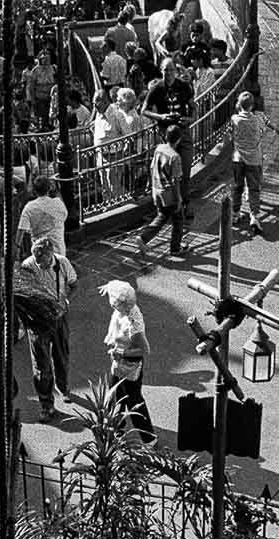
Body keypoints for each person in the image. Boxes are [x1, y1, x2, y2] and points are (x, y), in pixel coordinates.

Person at [15, 234, 77, 421]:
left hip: (58, 317)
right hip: (37, 321)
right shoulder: (28, 266)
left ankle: (63, 387)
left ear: (51, 255)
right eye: (37, 260)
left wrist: (66, 302)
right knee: (41, 365)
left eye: (43, 262)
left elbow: (74, 285)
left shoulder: (63, 263)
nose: (40, 265)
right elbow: (20, 296)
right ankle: (46, 404)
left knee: (61, 354)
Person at [101, 280, 153, 440]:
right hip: (120, 361)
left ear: (122, 305)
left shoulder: (133, 325)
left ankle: (149, 438)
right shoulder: (124, 305)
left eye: (114, 304)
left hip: (129, 364)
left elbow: (145, 350)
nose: (112, 306)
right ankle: (117, 429)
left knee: (134, 402)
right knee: (115, 395)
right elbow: (115, 285)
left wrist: (121, 354)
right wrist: (108, 288)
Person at [142, 59, 195, 213]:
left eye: (171, 70)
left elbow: (193, 106)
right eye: (165, 70)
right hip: (166, 134)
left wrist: (191, 119)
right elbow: (144, 110)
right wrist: (160, 117)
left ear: (176, 71)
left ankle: (185, 202)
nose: (168, 73)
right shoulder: (156, 88)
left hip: (182, 131)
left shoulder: (184, 86)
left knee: (185, 169)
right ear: (161, 70)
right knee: (167, 171)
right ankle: (168, 204)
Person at [227, 91, 275, 233]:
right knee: (254, 188)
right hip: (254, 159)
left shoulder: (234, 119)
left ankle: (235, 213)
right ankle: (254, 216)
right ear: (252, 105)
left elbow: (230, 135)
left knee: (237, 186)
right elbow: (262, 132)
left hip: (238, 158)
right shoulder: (257, 119)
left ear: (238, 104)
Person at [141, 125, 187, 255]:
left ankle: (145, 238)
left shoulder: (159, 149)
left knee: (162, 215)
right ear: (178, 139)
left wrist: (150, 186)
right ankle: (175, 247)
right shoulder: (175, 157)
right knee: (178, 220)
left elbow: (152, 167)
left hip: (157, 189)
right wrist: (178, 198)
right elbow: (176, 180)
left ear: (165, 136)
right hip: (169, 194)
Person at [17, 173, 68, 259]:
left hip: (40, 253)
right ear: (49, 188)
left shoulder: (29, 207)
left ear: (34, 190)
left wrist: (17, 248)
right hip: (59, 251)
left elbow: (21, 230)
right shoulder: (58, 203)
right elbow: (64, 216)